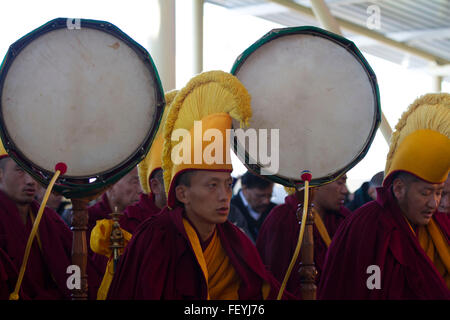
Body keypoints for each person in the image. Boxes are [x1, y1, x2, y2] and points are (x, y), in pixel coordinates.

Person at [107, 70, 290, 300]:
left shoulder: (234, 240)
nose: (224, 196)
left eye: (227, 184)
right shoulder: (155, 238)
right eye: (212, 186)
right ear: (182, 193)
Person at [318, 93, 450, 299]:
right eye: (425, 193)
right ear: (398, 188)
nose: (434, 203)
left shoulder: (440, 227)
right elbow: (353, 289)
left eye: (439, 192)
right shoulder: (366, 226)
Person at [0, 143, 100, 299]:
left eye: (33, 172)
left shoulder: (48, 219)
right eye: (20, 170)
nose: (30, 181)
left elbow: (76, 271)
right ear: (0, 174)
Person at [256, 174, 350, 298]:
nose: (345, 191)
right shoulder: (282, 219)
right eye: (340, 183)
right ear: (317, 184)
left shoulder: (343, 220)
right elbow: (275, 278)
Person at [230, 171, 277, 242]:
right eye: (260, 196)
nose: (266, 201)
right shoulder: (228, 211)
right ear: (244, 188)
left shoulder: (275, 211)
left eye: (270, 195)